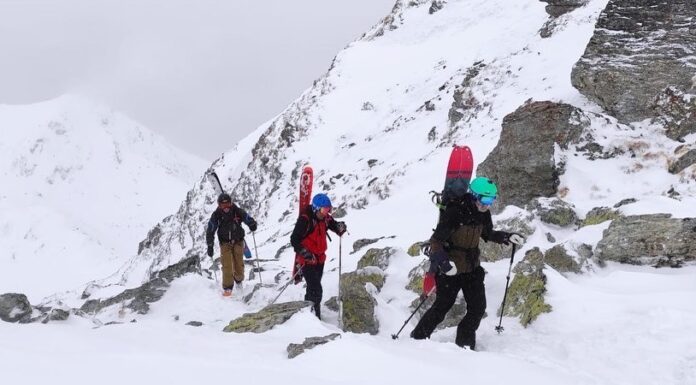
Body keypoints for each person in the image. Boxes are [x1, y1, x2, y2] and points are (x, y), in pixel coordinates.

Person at [410, 177, 524, 350]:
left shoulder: (484, 214)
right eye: (485, 199)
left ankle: (464, 347)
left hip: (472, 268)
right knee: (442, 307)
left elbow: (487, 233)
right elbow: (436, 242)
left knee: (478, 308)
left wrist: (506, 236)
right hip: (450, 269)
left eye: (491, 200)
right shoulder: (455, 211)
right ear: (473, 195)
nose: (487, 204)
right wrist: (444, 263)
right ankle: (416, 340)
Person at [290, 193, 347, 319]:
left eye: (328, 209)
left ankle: (309, 315)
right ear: (316, 208)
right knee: (316, 289)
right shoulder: (305, 219)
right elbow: (294, 239)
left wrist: (340, 227)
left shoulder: (325, 218)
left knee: (313, 288)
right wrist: (305, 253)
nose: (327, 212)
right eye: (324, 209)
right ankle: (314, 317)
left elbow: (335, 226)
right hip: (307, 260)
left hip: (320, 259)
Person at [206, 193, 258, 296]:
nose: (225, 208)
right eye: (222, 205)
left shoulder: (236, 211)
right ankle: (228, 287)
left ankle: (238, 281)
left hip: (238, 241)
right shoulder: (216, 215)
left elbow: (246, 217)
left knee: (239, 263)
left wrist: (252, 223)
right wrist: (210, 245)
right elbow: (210, 230)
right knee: (227, 265)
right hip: (225, 243)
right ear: (219, 205)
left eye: (227, 205)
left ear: (231, 203)